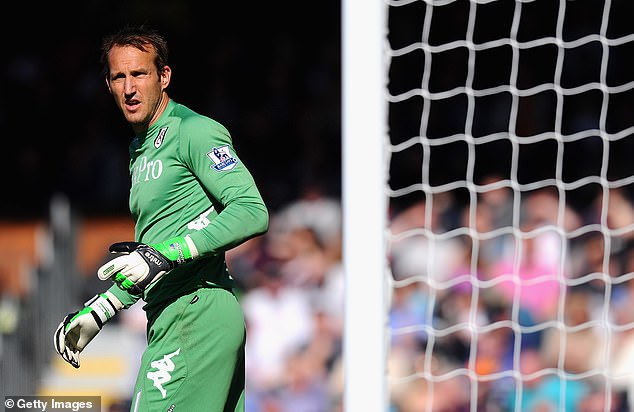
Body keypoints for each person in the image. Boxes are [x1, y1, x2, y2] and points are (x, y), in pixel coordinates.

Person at [53, 25, 269, 411]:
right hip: (173, 315)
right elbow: (152, 258)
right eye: (119, 77)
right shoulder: (140, 148)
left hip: (196, 312)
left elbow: (251, 211)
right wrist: (105, 307)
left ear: (164, 76)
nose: (129, 87)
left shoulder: (194, 131)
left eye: (140, 74)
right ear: (108, 84)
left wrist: (170, 252)